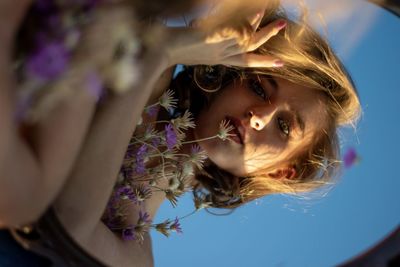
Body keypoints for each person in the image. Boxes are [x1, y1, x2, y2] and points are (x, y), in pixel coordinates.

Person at [1, 0, 361, 266]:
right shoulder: (148, 62)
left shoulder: (137, 256)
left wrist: (161, 54)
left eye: (284, 126)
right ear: (232, 70)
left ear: (281, 171)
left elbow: (67, 227)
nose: (258, 116)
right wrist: (162, 52)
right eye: (259, 87)